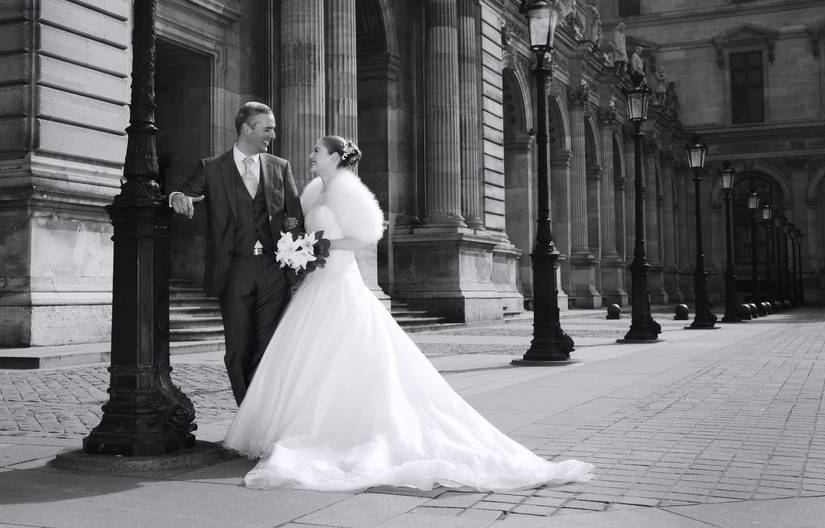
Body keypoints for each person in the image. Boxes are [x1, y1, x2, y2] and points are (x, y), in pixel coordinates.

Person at [223, 136, 594, 492]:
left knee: (340, 355)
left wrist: (324, 244)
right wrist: (299, 243)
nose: (311, 155)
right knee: (303, 356)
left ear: (335, 157)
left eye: (317, 151)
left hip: (338, 281)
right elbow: (301, 227)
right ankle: (291, 428)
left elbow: (368, 234)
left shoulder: (347, 189)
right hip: (314, 284)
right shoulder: (313, 190)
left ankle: (337, 429)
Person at [169, 101, 303, 405]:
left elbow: (295, 217)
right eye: (267, 128)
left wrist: (295, 263)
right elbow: (183, 192)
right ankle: (247, 413)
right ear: (247, 128)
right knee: (239, 348)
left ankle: (263, 413)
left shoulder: (280, 167)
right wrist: (177, 198)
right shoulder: (211, 168)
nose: (273, 134)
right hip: (234, 270)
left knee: (269, 345)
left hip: (273, 270)